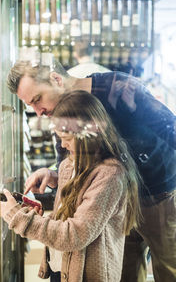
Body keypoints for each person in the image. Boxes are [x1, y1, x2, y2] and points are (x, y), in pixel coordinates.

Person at [6, 56, 176, 282]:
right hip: (117, 199)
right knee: (123, 271)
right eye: (30, 105)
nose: (38, 111)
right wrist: (54, 176)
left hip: (159, 192)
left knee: (170, 271)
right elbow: (74, 168)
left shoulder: (117, 88)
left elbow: (165, 121)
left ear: (56, 79)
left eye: (37, 99)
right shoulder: (61, 115)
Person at [0, 90, 141, 282]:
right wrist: (52, 183)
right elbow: (73, 206)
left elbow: (74, 234)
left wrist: (19, 218)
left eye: (66, 139)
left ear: (88, 135)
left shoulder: (111, 175)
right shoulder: (69, 164)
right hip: (62, 267)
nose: (63, 146)